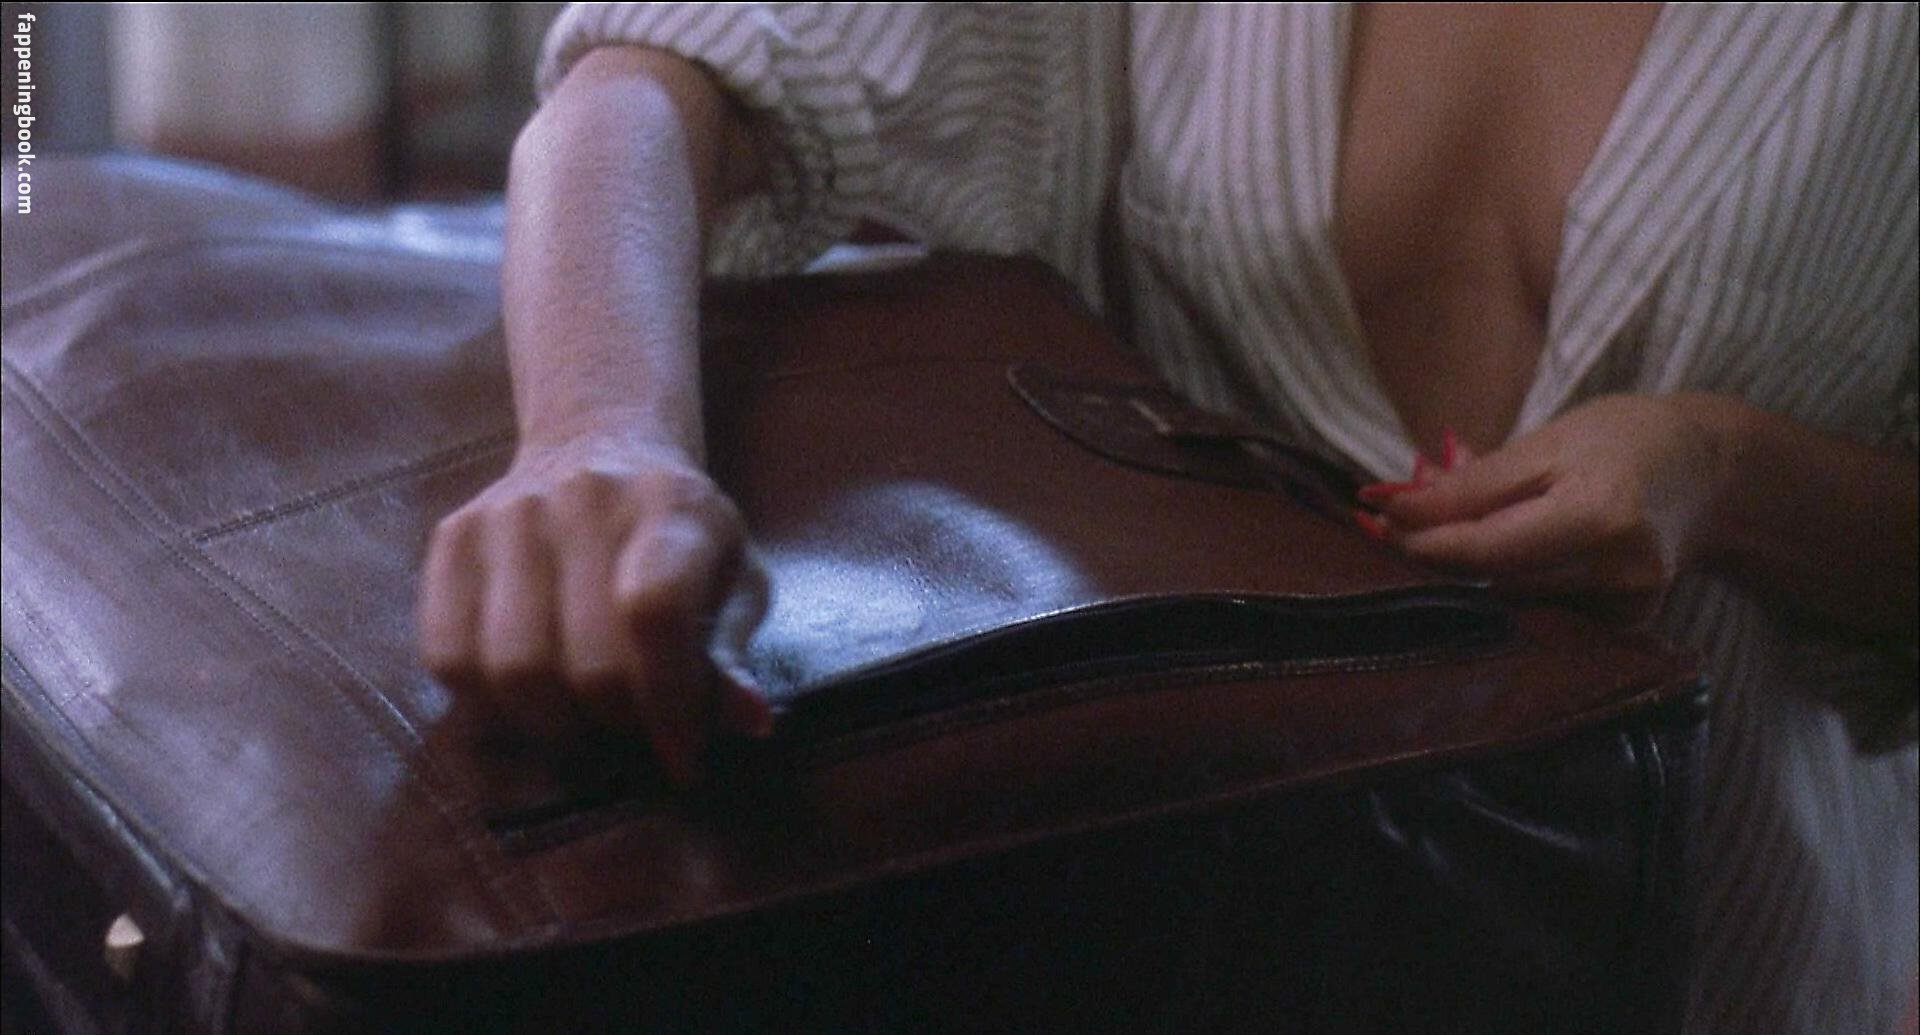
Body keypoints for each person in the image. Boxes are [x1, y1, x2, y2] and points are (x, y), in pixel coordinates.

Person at [413, 5, 1918, 1033]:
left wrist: (1724, 471)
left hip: (1721, 936)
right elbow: (656, 80)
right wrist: (601, 430)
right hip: (1190, 905)